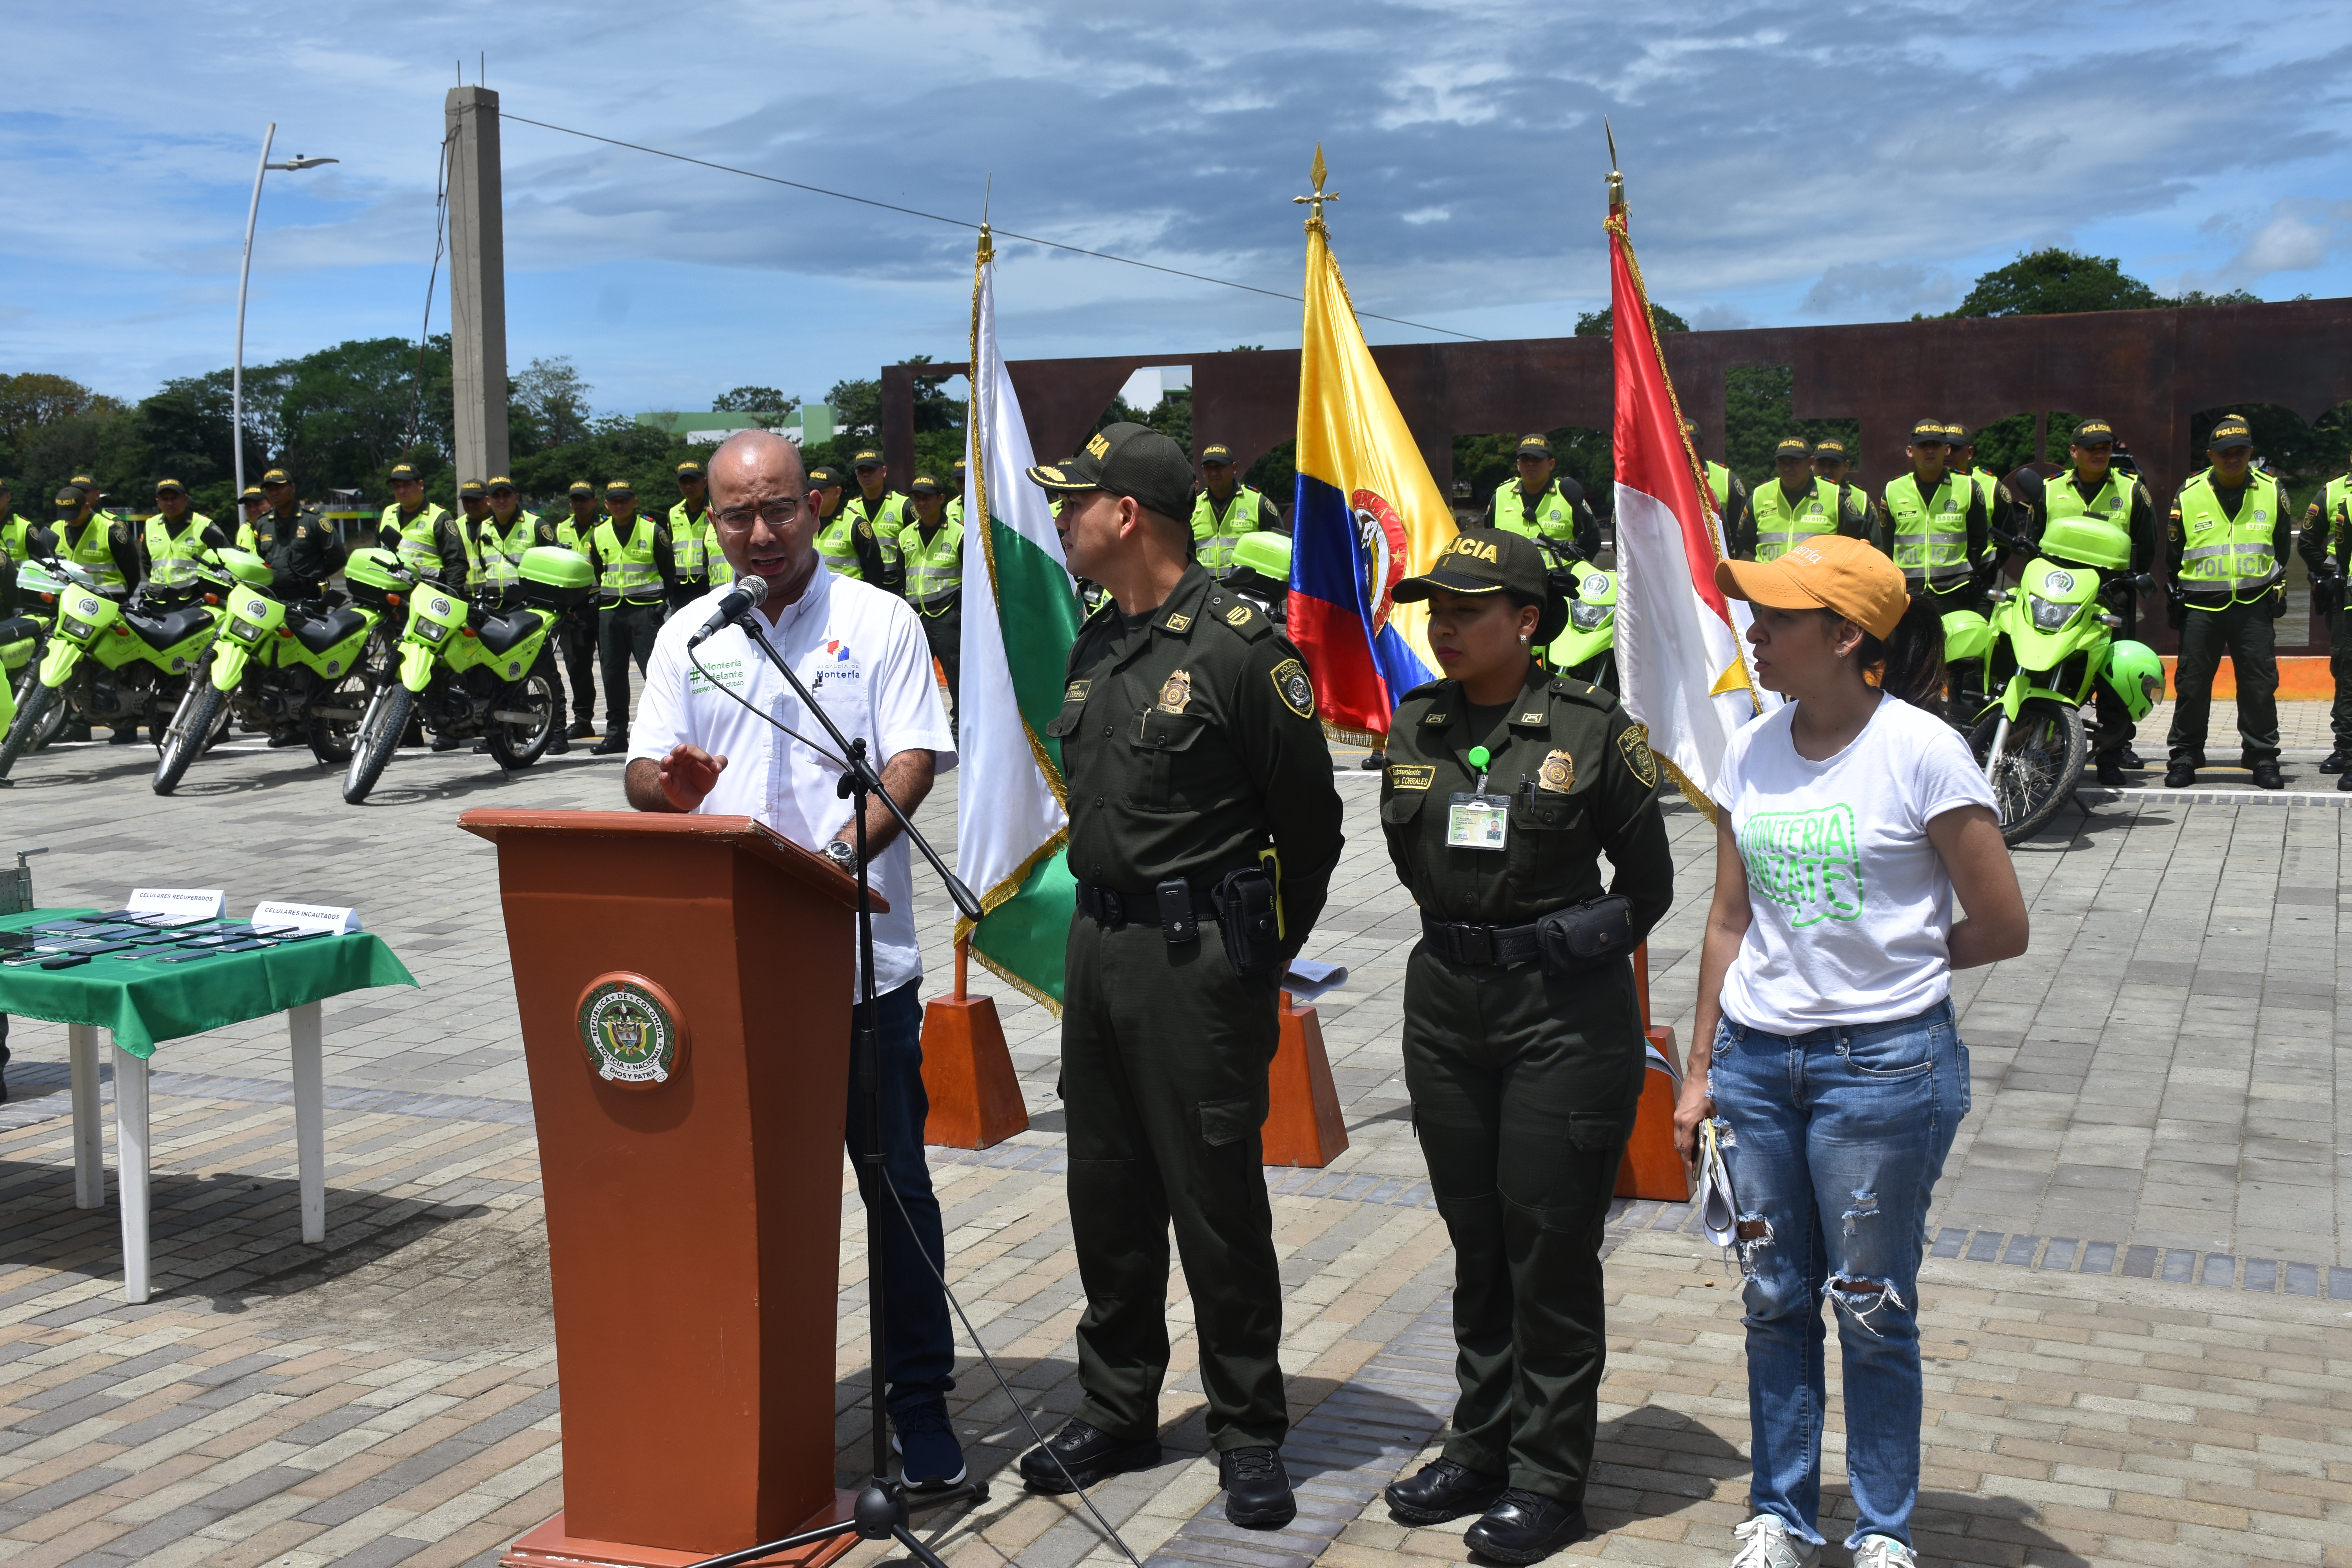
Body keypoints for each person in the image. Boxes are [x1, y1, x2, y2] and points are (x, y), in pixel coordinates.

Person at [1013, 423, 1345, 1530]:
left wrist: (1255, 957)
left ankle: (1248, 1427)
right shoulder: (1098, 646)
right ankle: (1116, 1409)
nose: (1062, 517)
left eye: (1077, 501)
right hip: (1101, 953)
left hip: (1199, 962)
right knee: (1105, 1195)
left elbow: (1311, 827)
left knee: (1215, 1205)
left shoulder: (1246, 648)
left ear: (1129, 516)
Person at [1673, 534, 2027, 1568]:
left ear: (1845, 636)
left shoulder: (1922, 751)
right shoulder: (1753, 747)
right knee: (1775, 1300)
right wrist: (1700, 1072)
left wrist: (1895, 962)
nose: (1755, 631)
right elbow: (1729, 921)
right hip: (1756, 1067)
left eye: (1777, 617)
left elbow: (2001, 925)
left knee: (1871, 1309)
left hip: (1883, 1072)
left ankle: (1882, 1529)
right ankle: (1780, 1513)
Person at [623, 427, 966, 1493]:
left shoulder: (880, 620)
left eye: (778, 510)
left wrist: (829, 861)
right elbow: (642, 772)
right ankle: (739, 1396)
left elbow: (910, 757)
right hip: (730, 980)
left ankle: (918, 1405)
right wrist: (665, 791)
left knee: (896, 1190)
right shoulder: (689, 631)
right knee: (735, 1203)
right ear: (712, 520)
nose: (760, 534)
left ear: (813, 505)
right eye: (738, 516)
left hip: (860, 969)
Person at [1372, 528, 1673, 1563]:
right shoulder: (1416, 725)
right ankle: (1481, 1440)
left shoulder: (1594, 733)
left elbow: (1649, 890)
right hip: (1447, 1010)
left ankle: (1550, 1477)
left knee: (1547, 1244)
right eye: (1435, 610)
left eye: (1468, 610)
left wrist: (1567, 937)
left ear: (1528, 622)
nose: (1443, 626)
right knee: (1478, 1239)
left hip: (1561, 1016)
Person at [2019, 419, 2156, 784]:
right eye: (2091, 447)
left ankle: (2112, 754)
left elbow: (2146, 547)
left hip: (2111, 601)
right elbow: (2035, 543)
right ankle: (2043, 746)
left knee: (2113, 680)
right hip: (2059, 597)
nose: (2099, 453)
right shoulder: (2050, 492)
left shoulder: (2132, 491)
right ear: (2074, 452)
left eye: (2105, 447)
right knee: (2044, 670)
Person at [2165, 414, 2290, 789]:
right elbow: (2174, 554)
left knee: (2259, 683)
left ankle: (2261, 756)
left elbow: (2282, 546)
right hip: (2202, 607)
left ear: (2250, 452)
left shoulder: (2271, 490)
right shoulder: (2188, 494)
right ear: (2210, 455)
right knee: (2192, 685)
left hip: (2253, 605)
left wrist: (2277, 587)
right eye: (2224, 453)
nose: (2232, 459)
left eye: (2240, 452)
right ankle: (2186, 756)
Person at [1878, 420, 1991, 725]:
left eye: (1936, 445)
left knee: (1958, 664)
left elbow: (1981, 539)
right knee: (1907, 661)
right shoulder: (1893, 489)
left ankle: (1956, 725)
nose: (1930, 451)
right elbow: (1886, 545)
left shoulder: (1968, 488)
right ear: (1910, 450)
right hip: (1911, 596)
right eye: (1923, 445)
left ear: (1947, 450)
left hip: (1956, 591)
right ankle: (1905, 720)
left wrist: (1974, 578)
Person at [2298, 447, 2352, 773]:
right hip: (2344, 598)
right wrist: (2333, 574)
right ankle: (2344, 748)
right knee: (2347, 673)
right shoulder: (2332, 492)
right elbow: (2307, 542)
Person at [899, 474, 962, 735]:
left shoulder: (959, 532)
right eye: (916, 498)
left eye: (927, 497)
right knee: (913, 677)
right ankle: (920, 731)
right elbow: (903, 578)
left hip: (949, 617)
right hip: (917, 617)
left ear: (941, 499)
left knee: (956, 678)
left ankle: (959, 731)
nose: (921, 503)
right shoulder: (906, 535)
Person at [1737, 439, 1869, 563]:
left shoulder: (1835, 495)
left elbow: (1862, 542)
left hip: (1817, 585)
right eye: (1782, 462)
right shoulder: (1760, 495)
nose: (1788, 468)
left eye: (1794, 462)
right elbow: (1746, 540)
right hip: (1768, 583)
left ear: (1811, 463)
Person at [1483, 436, 1601, 564]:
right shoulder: (1501, 494)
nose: (1531, 463)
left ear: (1551, 464)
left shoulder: (1568, 494)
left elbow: (1592, 541)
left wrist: (1575, 572)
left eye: (1537, 459)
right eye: (1525, 458)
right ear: (1518, 464)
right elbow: (1487, 538)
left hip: (1558, 580)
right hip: (1509, 581)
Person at [552, 481, 605, 740]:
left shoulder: (604, 527)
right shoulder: (561, 529)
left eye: (584, 499)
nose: (579, 503)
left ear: (595, 501)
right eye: (575, 499)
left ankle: (616, 723)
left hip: (602, 603)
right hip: (574, 608)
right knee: (577, 667)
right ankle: (583, 720)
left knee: (610, 667)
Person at [1192, 443, 1281, 579]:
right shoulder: (1194, 506)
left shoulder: (1258, 503)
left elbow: (1280, 550)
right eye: (1208, 468)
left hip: (1246, 593)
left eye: (1219, 467)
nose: (1214, 473)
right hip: (1207, 592)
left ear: (1234, 468)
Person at [259, 468, 345, 604]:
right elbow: (261, 560)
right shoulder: (263, 523)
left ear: (293, 488)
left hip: (307, 599)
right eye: (269, 489)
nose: (274, 493)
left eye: (279, 487)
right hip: (274, 599)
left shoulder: (313, 520)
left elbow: (338, 557)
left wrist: (314, 575)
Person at [382, 463, 472, 590]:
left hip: (428, 597)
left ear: (421, 485)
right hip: (390, 594)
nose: (402, 491)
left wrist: (450, 599)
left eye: (407, 485)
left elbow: (457, 564)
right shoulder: (387, 514)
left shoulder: (439, 518)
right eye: (397, 487)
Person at [138, 479, 222, 603]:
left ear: (185, 499)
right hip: (158, 600)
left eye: (174, 498)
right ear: (158, 502)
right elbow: (147, 563)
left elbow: (224, 560)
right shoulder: (150, 525)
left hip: (195, 600)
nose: (170, 503)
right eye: (165, 499)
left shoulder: (204, 525)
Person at [810, 461, 892, 583]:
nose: (813, 496)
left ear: (837, 492)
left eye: (821, 493)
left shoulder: (856, 524)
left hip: (850, 599)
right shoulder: (805, 523)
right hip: (814, 598)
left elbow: (875, 570)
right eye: (810, 491)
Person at [842, 448, 909, 591]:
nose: (866, 475)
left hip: (896, 585)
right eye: (861, 471)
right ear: (856, 475)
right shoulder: (851, 507)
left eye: (871, 470)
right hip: (864, 585)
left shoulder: (903, 505)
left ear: (884, 471)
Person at [1685, 419, 1750, 549]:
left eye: (1691, 445)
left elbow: (1741, 534)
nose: (1686, 449)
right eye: (1681, 444)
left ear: (1701, 443)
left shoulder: (1726, 479)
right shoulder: (1660, 477)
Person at [667, 459, 720, 613]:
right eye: (684, 482)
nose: (689, 486)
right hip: (680, 586)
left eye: (693, 481)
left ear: (705, 482)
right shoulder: (674, 513)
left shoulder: (715, 509)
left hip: (706, 584)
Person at [1810, 440, 1873, 532]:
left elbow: (1874, 540)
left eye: (1834, 465)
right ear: (1812, 465)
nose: (1827, 471)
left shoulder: (1861, 498)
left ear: (1846, 466)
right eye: (1821, 465)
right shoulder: (1801, 492)